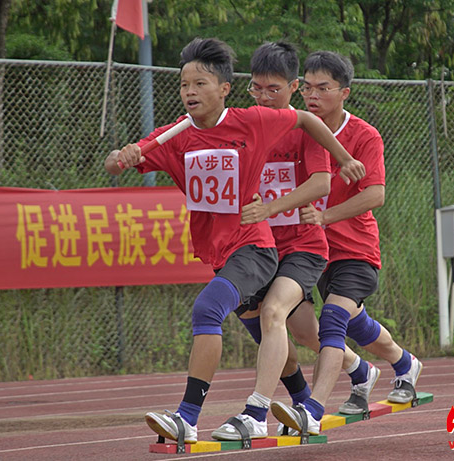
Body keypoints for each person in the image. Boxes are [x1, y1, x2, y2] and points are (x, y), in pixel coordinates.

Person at [104, 38, 365, 444]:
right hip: (221, 252)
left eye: (200, 83)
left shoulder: (252, 121)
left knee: (214, 309)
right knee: (270, 336)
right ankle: (304, 401)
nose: (190, 91)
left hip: (258, 247)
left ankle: (193, 417)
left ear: (224, 88)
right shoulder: (174, 136)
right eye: (184, 84)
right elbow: (116, 164)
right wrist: (123, 157)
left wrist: (343, 157)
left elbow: (308, 122)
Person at [211, 42, 371, 442]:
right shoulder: (243, 126)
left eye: (274, 90)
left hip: (304, 245)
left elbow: (321, 182)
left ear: (293, 88)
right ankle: (359, 369)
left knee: (273, 314)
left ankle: (255, 411)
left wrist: (272, 207)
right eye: (257, 89)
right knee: (301, 333)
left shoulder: (303, 127)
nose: (264, 97)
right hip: (261, 247)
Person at [270, 50, 423, 436]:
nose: (312, 95)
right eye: (307, 87)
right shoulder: (293, 131)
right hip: (308, 251)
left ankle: (312, 409)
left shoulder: (364, 135)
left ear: (345, 93)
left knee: (336, 318)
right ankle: (392, 365)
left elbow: (375, 195)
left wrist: (325, 216)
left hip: (354, 249)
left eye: (324, 88)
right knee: (320, 328)